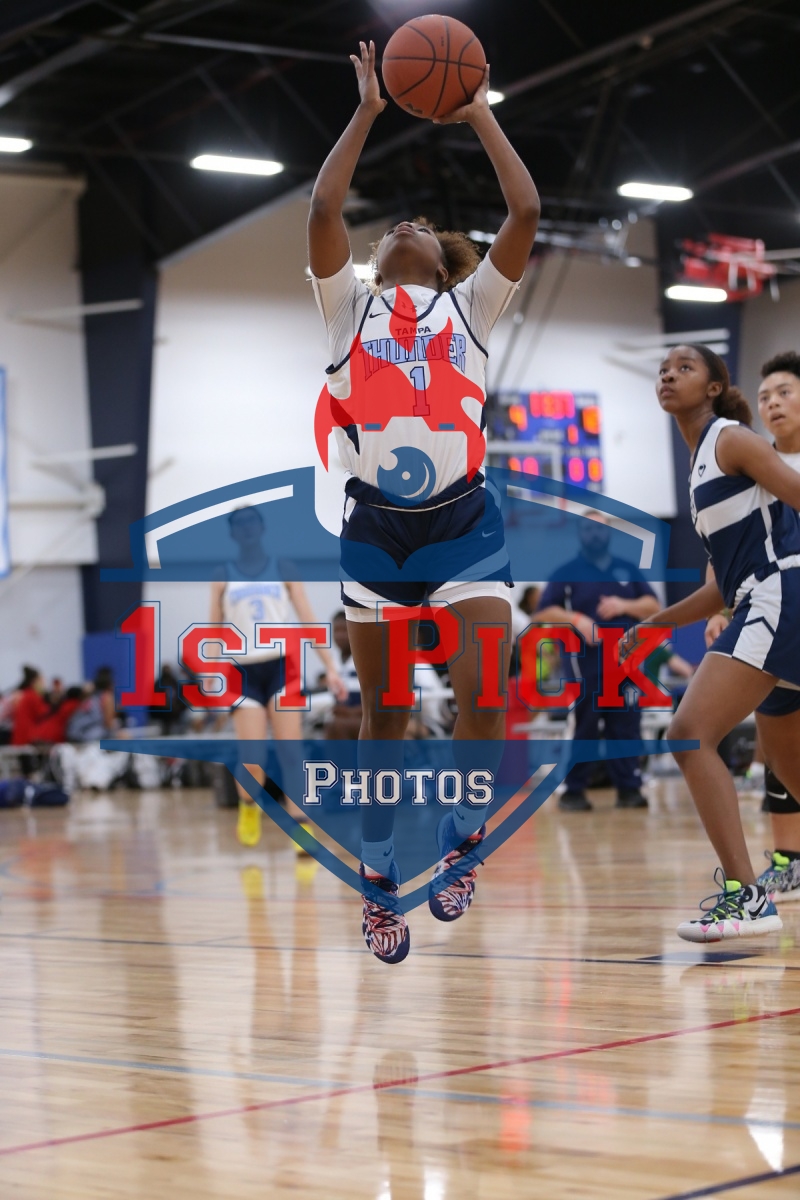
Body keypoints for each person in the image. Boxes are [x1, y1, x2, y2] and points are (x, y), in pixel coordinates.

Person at [308, 41, 539, 962]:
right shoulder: (349, 313)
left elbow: (525, 210)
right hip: (376, 529)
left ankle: (462, 839)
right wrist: (368, 108)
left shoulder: (470, 311)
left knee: (485, 694)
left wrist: (477, 108)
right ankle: (377, 880)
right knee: (388, 713)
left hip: (463, 522)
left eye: (422, 226)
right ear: (375, 261)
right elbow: (324, 208)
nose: (403, 224)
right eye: (391, 227)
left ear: (445, 265)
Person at [631, 342, 800, 941]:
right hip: (761, 597)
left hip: (779, 595)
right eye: (663, 369)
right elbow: (717, 588)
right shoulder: (701, 462)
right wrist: (655, 625)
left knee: (688, 733)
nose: (668, 375)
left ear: (713, 387)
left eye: (685, 368)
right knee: (790, 765)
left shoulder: (731, 440)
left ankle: (747, 897)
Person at [704, 350, 800, 903]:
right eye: (765, 396)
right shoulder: (749, 465)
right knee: (778, 739)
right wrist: (721, 611)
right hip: (777, 611)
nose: (772, 403)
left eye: (784, 392)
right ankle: (789, 859)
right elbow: (727, 553)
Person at [210, 506, 344, 848]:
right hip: (243, 671)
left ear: (261, 527)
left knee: (291, 753)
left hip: (281, 667)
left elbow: (308, 620)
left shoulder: (284, 568)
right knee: (253, 760)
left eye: (251, 521)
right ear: (232, 533)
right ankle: (248, 805)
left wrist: (330, 666)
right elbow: (213, 627)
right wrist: (210, 670)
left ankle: (302, 828)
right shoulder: (223, 574)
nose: (247, 528)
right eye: (239, 524)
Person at [534, 512, 660, 811]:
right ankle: (574, 790)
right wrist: (575, 618)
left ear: (609, 533)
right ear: (580, 534)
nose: (595, 534)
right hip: (584, 665)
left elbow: (654, 606)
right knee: (585, 726)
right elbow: (543, 612)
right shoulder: (567, 572)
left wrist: (624, 605)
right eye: (588, 528)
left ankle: (629, 789)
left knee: (626, 726)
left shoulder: (627, 569)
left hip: (625, 666)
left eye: (600, 528)